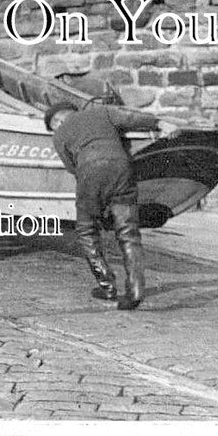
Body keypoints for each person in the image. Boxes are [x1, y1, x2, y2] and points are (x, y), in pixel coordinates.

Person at [46, 100, 171, 310]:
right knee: (129, 231)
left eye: (54, 125)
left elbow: (71, 167)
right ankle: (135, 290)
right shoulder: (101, 112)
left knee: (86, 230)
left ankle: (107, 286)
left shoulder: (59, 135)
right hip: (122, 169)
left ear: (57, 121)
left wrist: (94, 187)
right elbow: (131, 118)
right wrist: (160, 123)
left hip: (89, 171)